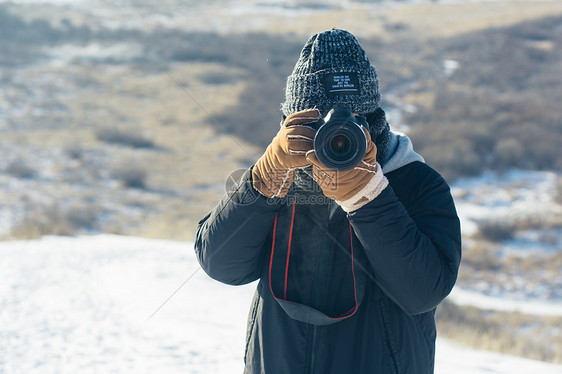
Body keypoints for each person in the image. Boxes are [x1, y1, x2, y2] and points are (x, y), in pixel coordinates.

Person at [195, 28, 461, 374]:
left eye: (349, 123)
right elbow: (220, 264)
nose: (334, 140)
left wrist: (369, 197)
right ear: (291, 125)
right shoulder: (279, 180)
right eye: (316, 125)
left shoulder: (416, 183)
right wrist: (263, 181)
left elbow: (423, 292)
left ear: (373, 120)